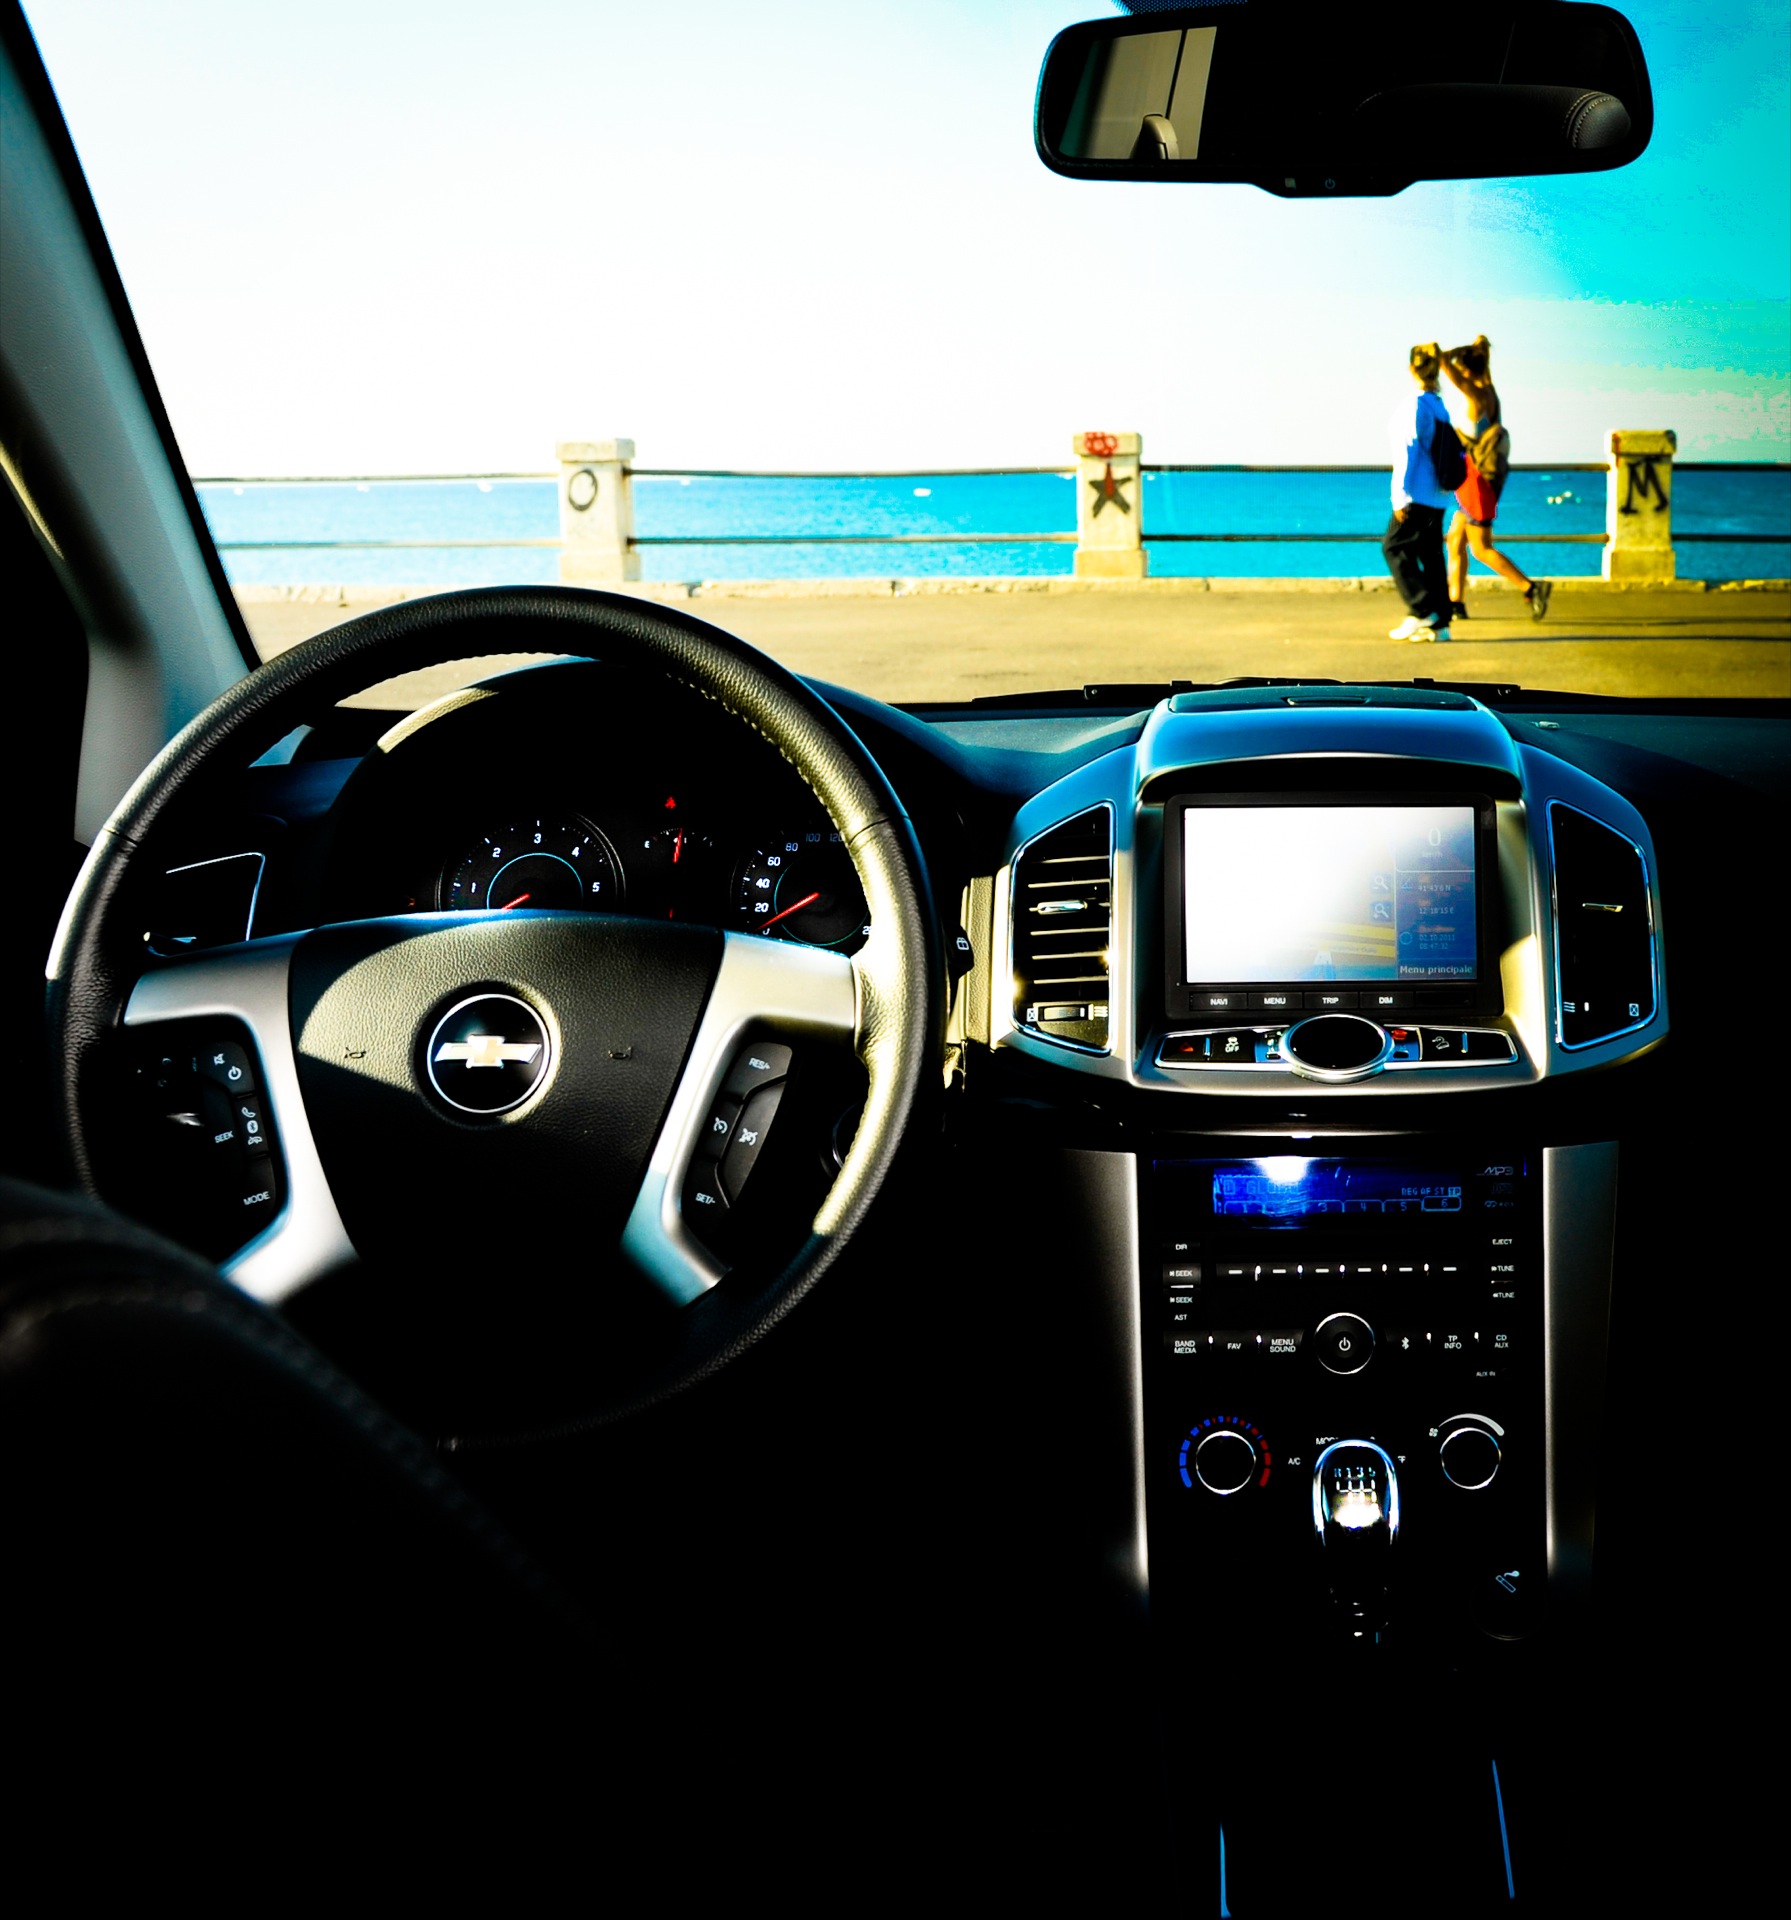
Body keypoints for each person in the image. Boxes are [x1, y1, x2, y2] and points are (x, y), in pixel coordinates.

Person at [1441, 335, 1551, 620]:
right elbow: (1472, 366)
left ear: (1467, 371)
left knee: (1481, 548)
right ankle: (1455, 602)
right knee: (1455, 539)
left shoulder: (1476, 396)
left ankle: (1531, 588)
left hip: (1479, 483)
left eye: (1462, 368)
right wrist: (1476, 350)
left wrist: (1448, 354)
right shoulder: (1490, 391)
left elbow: (1446, 367)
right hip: (1479, 480)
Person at [1383, 342, 1454, 641]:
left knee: (1394, 547)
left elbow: (1408, 451)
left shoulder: (1415, 405)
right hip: (1437, 495)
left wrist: (1399, 496)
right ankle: (1441, 623)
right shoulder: (1438, 405)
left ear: (1412, 368)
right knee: (1432, 556)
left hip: (1417, 495)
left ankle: (1421, 609)